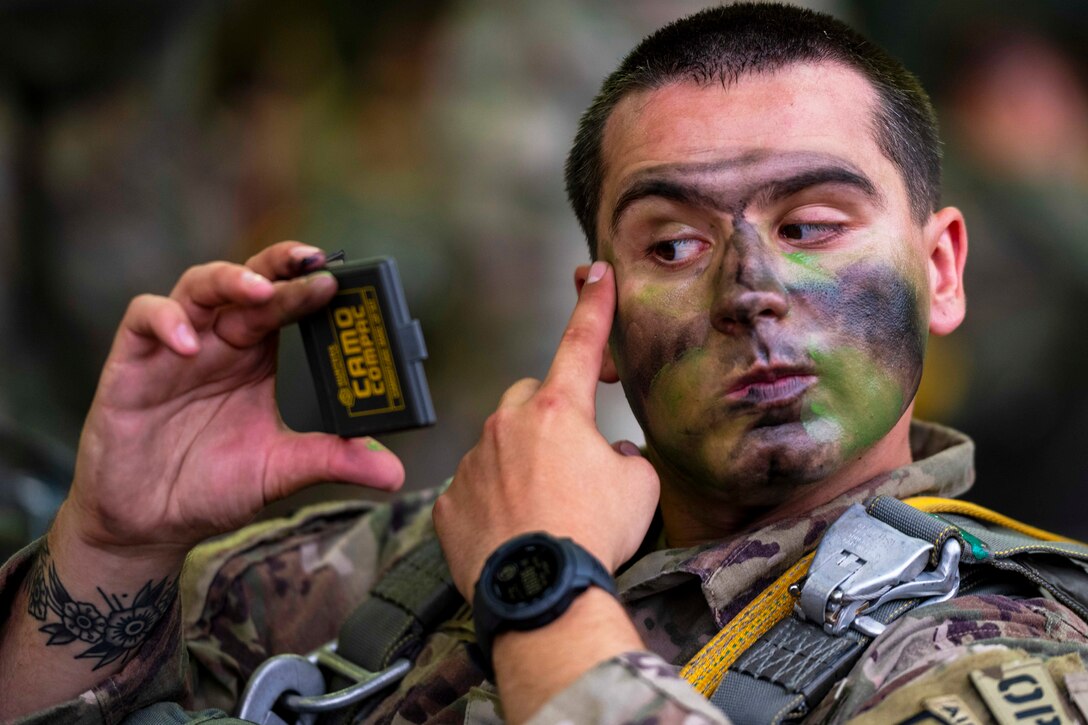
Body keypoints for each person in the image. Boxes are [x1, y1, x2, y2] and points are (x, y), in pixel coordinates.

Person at [2, 3, 1087, 723]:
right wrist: (115, 538)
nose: (749, 286)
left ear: (940, 270)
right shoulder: (416, 558)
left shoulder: (1002, 651)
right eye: (672, 242)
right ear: (600, 316)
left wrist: (539, 587)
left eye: (810, 223)